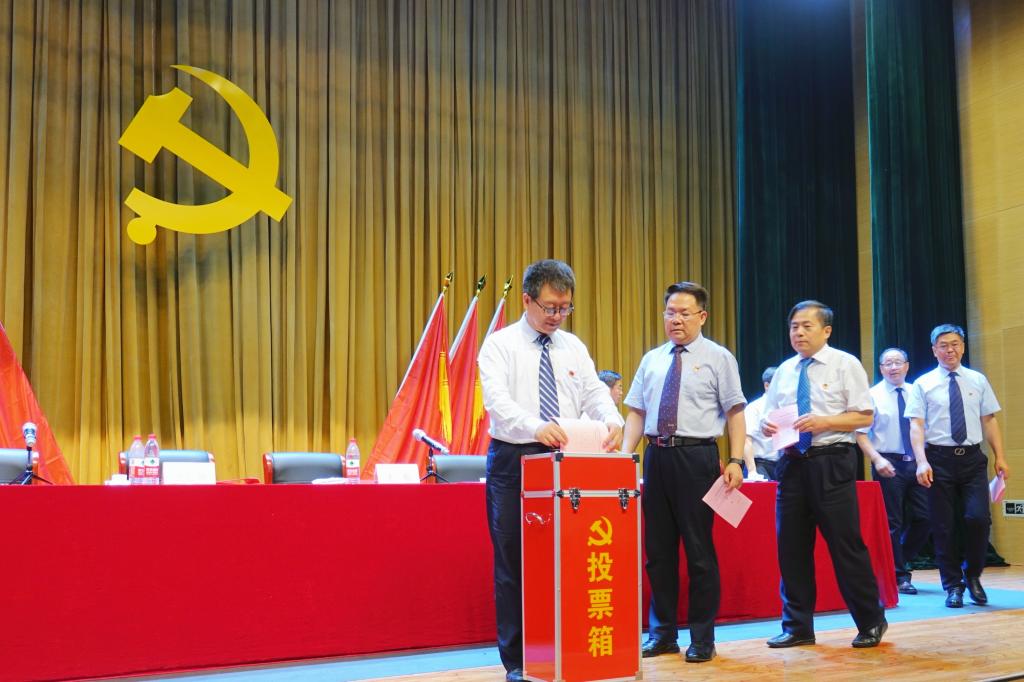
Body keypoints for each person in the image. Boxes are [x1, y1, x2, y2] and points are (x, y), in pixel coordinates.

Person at [477, 259, 624, 682]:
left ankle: (567, 649)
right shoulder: (500, 345)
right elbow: (497, 402)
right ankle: (519, 661)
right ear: (527, 300)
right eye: (550, 307)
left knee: (568, 559)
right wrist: (535, 426)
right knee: (514, 563)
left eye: (565, 308)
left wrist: (612, 419)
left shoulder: (572, 346)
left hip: (566, 459)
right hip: (515, 459)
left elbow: (594, 391)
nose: (557, 316)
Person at [621, 281, 746, 664]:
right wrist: (624, 458)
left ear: (702, 316)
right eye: (670, 312)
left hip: (697, 458)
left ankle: (702, 638)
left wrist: (736, 460)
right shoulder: (652, 359)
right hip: (656, 457)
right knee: (658, 553)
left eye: (684, 313)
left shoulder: (718, 357)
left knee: (698, 552)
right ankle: (662, 634)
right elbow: (637, 412)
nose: (675, 319)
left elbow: (735, 413)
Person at [760, 300, 887, 649]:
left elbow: (864, 416)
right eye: (793, 327)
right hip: (791, 463)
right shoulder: (785, 370)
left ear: (826, 330)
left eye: (806, 326)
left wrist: (824, 421)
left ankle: (871, 620)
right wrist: (767, 425)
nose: (798, 333)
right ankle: (797, 626)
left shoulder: (845, 364)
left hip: (832, 460)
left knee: (846, 545)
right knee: (791, 548)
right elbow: (770, 414)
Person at [906, 324, 1011, 608]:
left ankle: (973, 574)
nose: (949, 350)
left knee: (978, 519)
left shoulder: (977, 380)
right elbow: (916, 426)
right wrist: (921, 461)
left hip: (973, 460)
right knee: (943, 526)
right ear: (934, 350)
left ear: (962, 347)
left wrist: (1000, 456)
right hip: (938, 460)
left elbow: (989, 420)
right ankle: (953, 585)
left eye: (954, 344)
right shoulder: (923, 384)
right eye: (943, 345)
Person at [855, 347, 930, 595]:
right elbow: (860, 434)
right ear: (881, 368)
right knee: (892, 522)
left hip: (917, 462)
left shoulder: (917, 392)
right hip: (888, 462)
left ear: (907, 366)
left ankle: (898, 559)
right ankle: (900, 576)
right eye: (888, 363)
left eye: (898, 362)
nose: (893, 367)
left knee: (925, 517)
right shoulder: (872, 395)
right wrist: (877, 460)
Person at [744, 366, 779, 480]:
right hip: (760, 465)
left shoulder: (785, 406)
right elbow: (746, 440)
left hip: (783, 464)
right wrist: (752, 471)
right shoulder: (754, 407)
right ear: (767, 385)